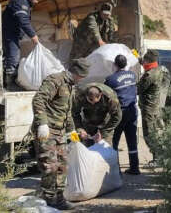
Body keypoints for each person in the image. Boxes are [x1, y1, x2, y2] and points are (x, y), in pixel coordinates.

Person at [31, 58, 90, 210]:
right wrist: (42, 123)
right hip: (47, 132)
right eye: (82, 76)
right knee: (50, 166)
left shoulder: (71, 86)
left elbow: (67, 112)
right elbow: (38, 100)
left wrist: (72, 131)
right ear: (77, 73)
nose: (82, 79)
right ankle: (48, 199)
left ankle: (58, 198)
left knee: (62, 166)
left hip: (60, 132)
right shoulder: (55, 80)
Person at [104, 54, 140, 175]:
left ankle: (116, 170)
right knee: (132, 140)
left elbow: (106, 95)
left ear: (115, 65)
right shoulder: (133, 75)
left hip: (119, 113)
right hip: (132, 111)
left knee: (114, 141)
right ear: (125, 64)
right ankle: (135, 168)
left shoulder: (110, 79)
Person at [2, 0, 41, 89]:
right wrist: (33, 35)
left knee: (11, 57)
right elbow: (23, 20)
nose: (37, 2)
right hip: (10, 34)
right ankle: (10, 84)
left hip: (13, 34)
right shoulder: (20, 2)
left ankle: (8, 81)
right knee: (13, 58)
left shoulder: (25, 3)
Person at [137, 49, 170, 167]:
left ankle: (158, 159)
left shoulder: (149, 75)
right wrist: (139, 59)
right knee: (154, 133)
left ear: (148, 61)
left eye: (144, 60)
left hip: (148, 109)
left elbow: (138, 89)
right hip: (155, 107)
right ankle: (160, 156)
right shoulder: (159, 69)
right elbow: (146, 65)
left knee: (149, 135)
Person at [72, 83, 122, 148]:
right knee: (87, 148)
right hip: (88, 123)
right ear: (86, 95)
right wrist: (80, 129)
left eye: (96, 101)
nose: (93, 103)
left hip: (105, 123)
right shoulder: (79, 95)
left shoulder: (110, 97)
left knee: (105, 149)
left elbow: (117, 117)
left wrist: (104, 132)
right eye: (90, 100)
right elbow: (75, 113)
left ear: (100, 95)